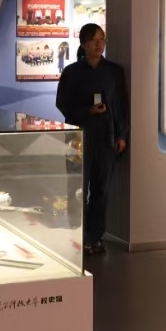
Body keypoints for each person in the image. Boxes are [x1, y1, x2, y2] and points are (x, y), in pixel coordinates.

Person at [55, 24, 128, 254]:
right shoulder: (72, 72)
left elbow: (121, 105)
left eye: (102, 39)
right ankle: (77, 235)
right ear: (84, 43)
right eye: (95, 40)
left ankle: (96, 238)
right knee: (76, 189)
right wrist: (87, 111)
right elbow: (62, 104)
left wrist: (122, 134)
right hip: (78, 138)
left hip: (106, 138)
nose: (99, 44)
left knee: (101, 191)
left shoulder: (114, 71)